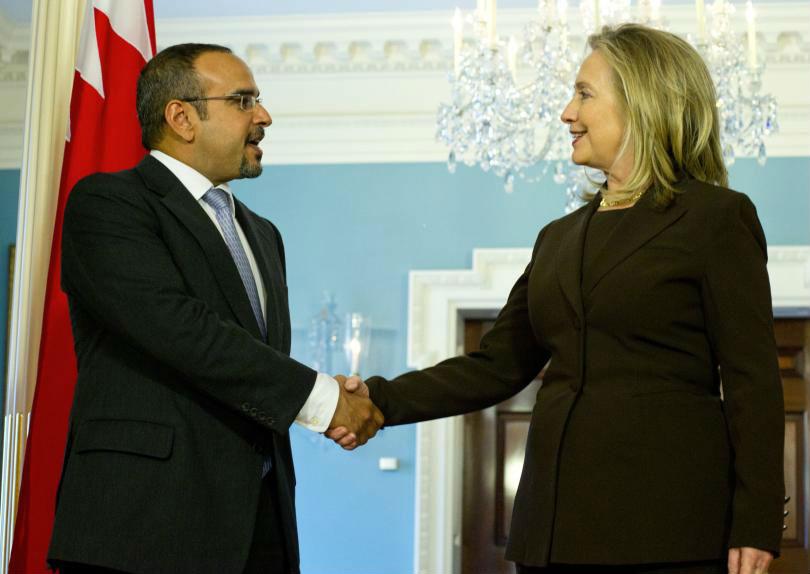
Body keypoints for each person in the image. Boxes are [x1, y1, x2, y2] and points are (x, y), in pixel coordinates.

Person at [331, 24, 785, 574]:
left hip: (670, 530)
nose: (567, 113)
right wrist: (378, 399)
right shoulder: (558, 237)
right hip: (550, 532)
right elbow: (496, 365)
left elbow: (752, 381)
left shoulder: (715, 219)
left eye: (584, 94)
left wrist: (755, 522)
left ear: (642, 101)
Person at [47, 43, 383, 574]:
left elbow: (251, 363)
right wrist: (322, 400)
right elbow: (183, 331)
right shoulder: (108, 204)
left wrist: (327, 400)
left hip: (258, 531)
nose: (264, 116)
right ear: (181, 117)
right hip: (141, 530)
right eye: (244, 100)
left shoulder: (263, 234)